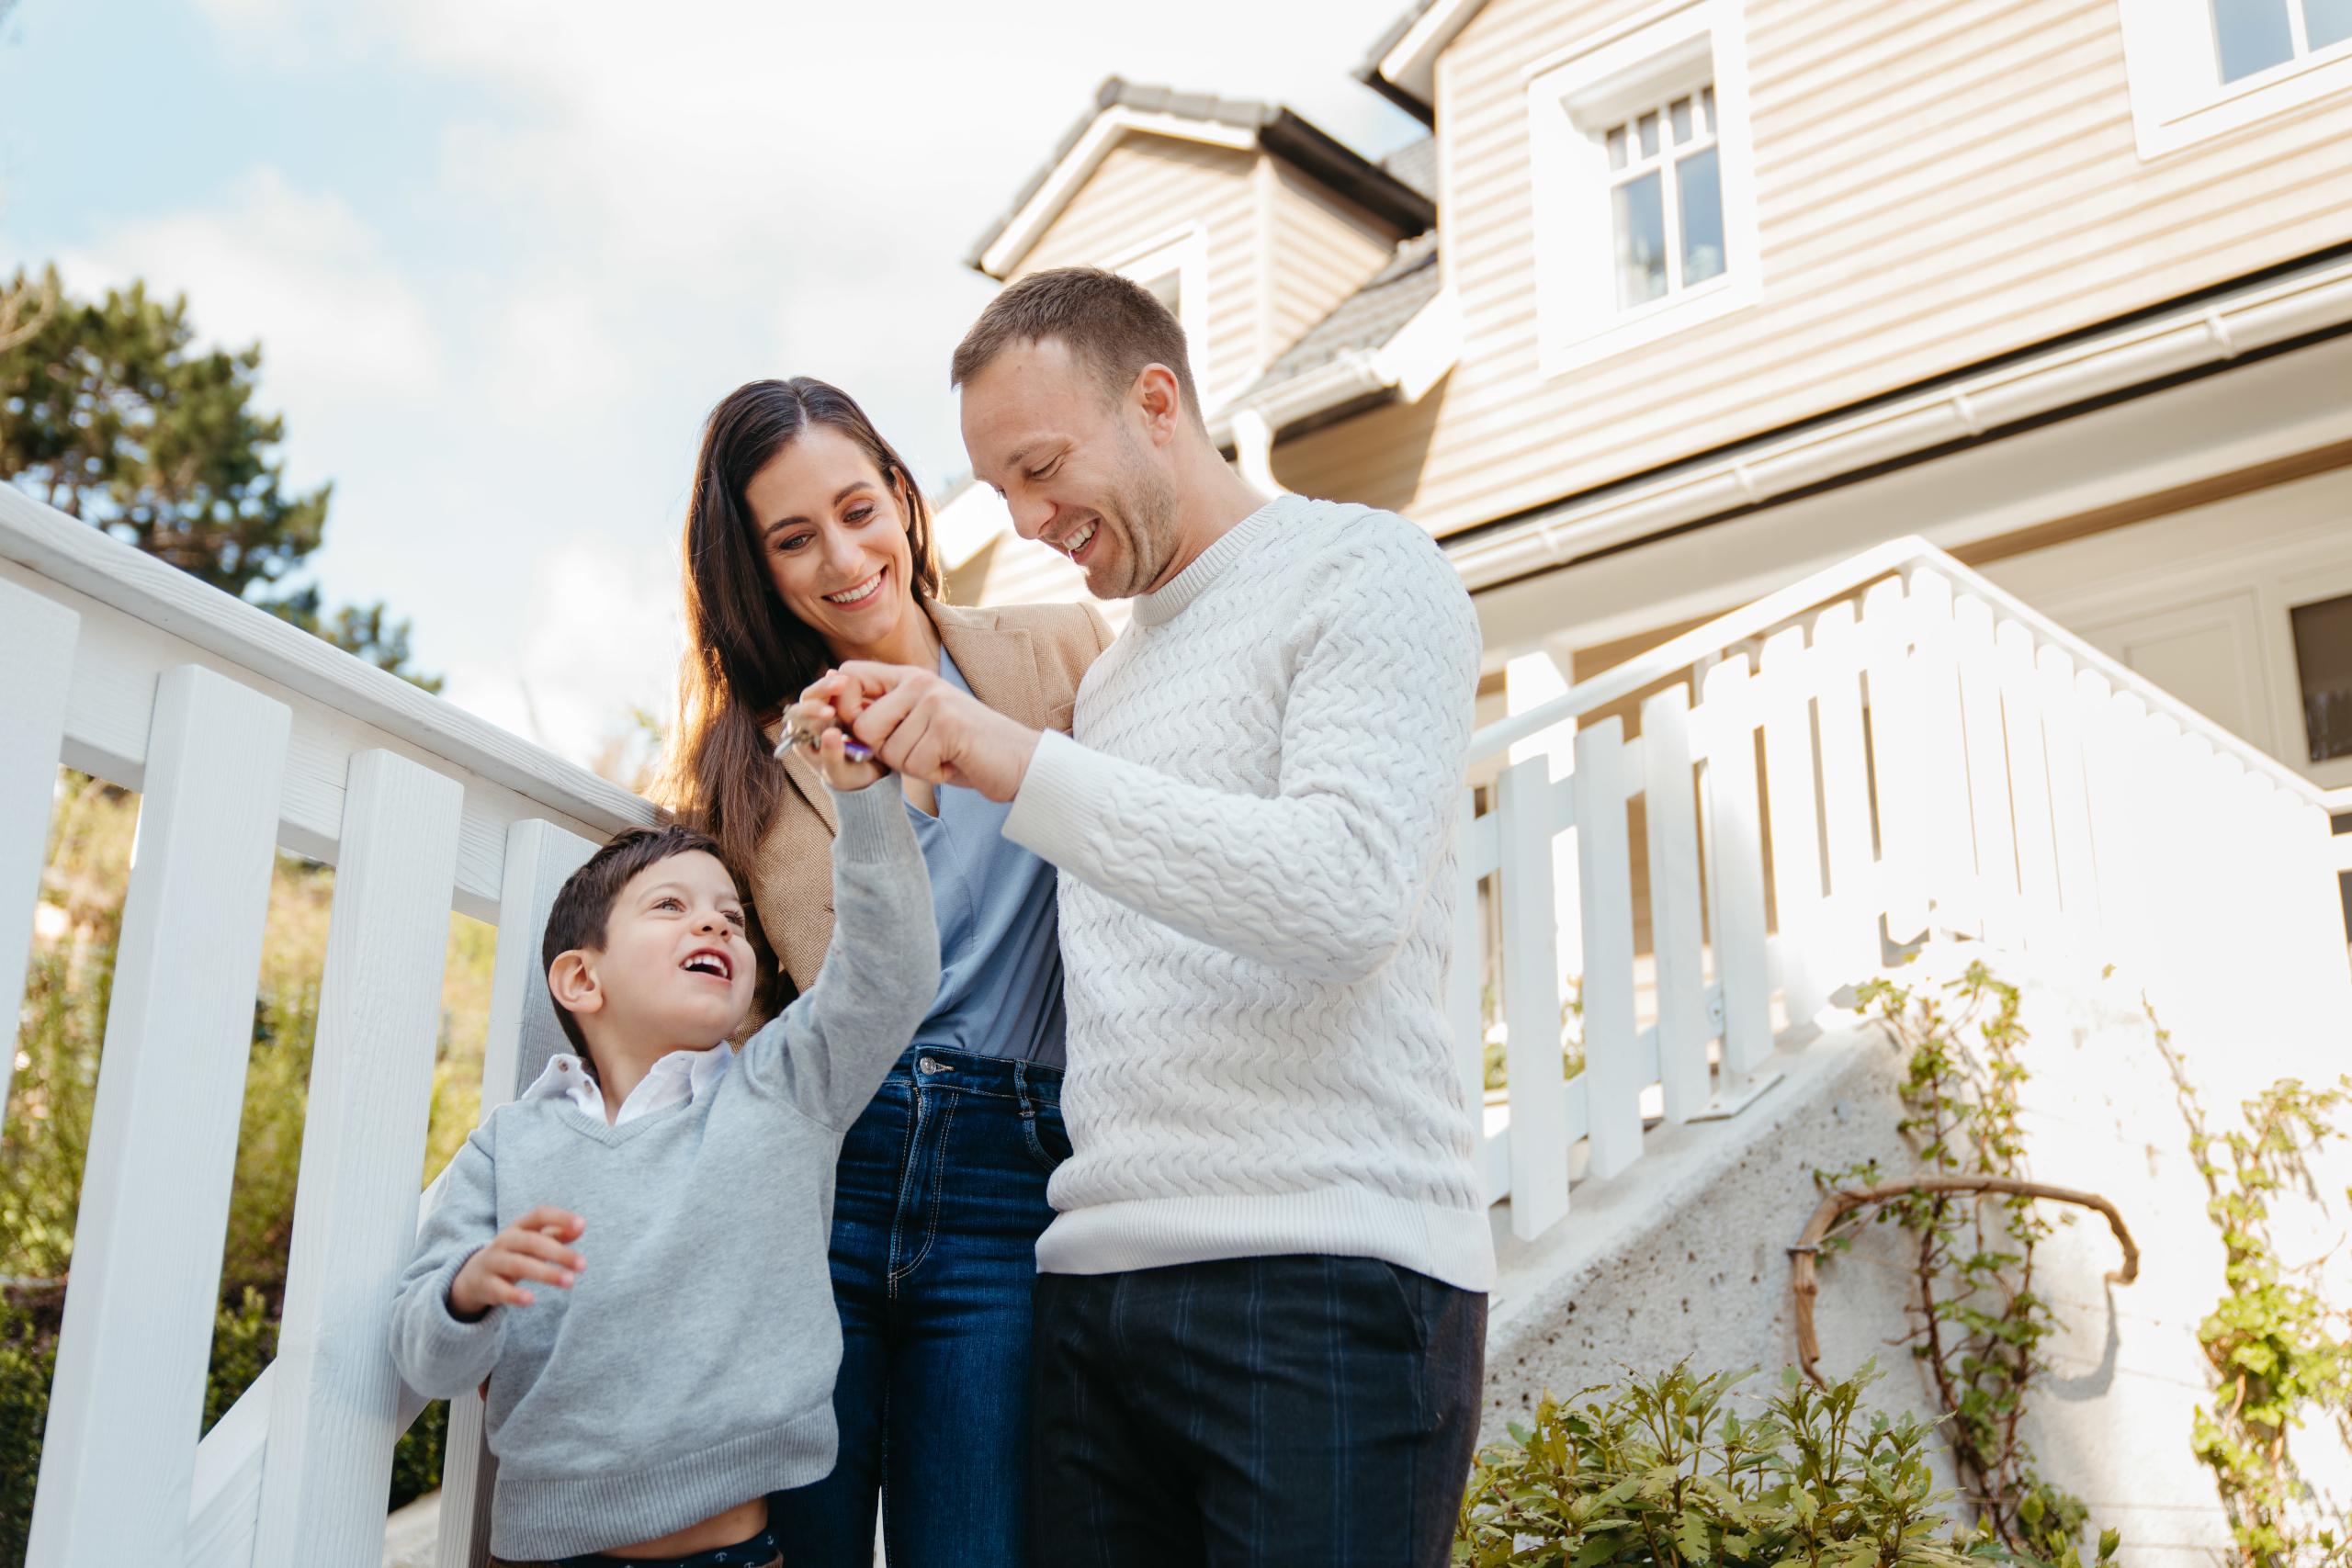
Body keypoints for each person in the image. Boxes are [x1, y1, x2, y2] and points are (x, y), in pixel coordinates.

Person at [806, 267, 1493, 1567]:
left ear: (1158, 402)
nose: (1028, 520)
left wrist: (1015, 760)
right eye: (1001, 488)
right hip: (1090, 1297)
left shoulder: (1366, 569)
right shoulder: (1109, 682)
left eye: (1042, 467)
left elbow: (1346, 891)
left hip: (1325, 1275)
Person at [658, 377, 1112, 1568]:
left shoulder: (1064, 651)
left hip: (1016, 1178)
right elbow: (730, 1012)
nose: (843, 557)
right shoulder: (741, 767)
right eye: (793, 538)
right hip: (823, 1179)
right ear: (756, 569)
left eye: (858, 510)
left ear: (906, 500)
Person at [386, 742, 938, 1568]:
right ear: (582, 979)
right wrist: (467, 1290)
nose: (714, 923)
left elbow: (893, 969)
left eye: (732, 917)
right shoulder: (509, 1143)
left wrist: (863, 800)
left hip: (733, 1552)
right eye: (670, 905)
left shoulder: (785, 1086)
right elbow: (423, 1355)